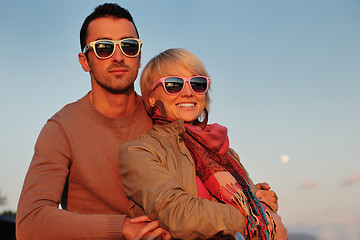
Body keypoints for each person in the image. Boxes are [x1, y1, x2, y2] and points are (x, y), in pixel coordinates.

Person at [16, 3, 279, 240]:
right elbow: (30, 222)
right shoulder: (62, 128)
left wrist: (251, 198)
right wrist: (122, 228)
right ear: (85, 61)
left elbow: (201, 183)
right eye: (104, 48)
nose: (118, 57)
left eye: (128, 46)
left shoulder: (168, 114)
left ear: (139, 57)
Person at [119, 48, 289, 239]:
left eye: (197, 84)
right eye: (174, 85)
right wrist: (257, 218)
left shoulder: (223, 150)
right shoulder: (140, 151)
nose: (188, 93)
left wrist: (264, 202)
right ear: (151, 97)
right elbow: (178, 213)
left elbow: (258, 207)